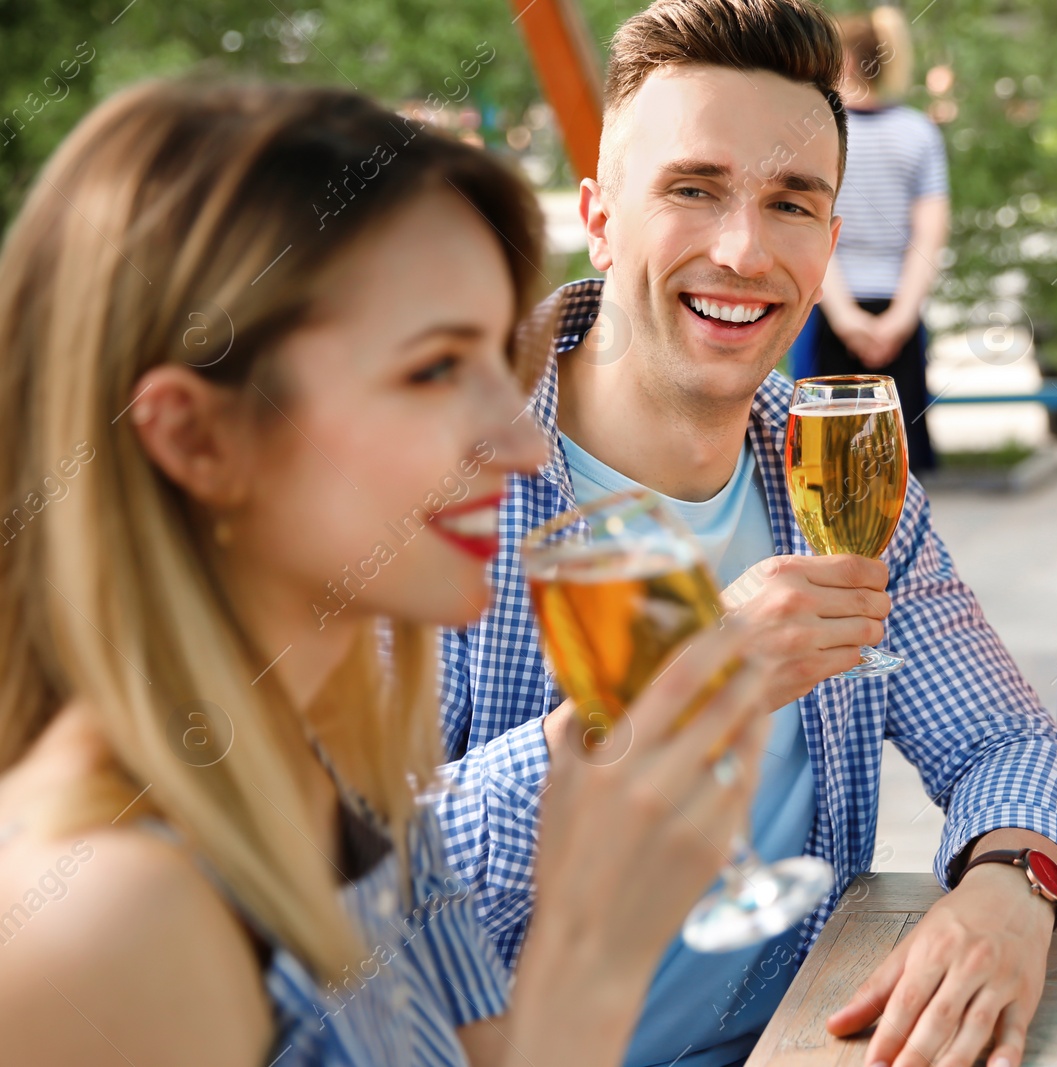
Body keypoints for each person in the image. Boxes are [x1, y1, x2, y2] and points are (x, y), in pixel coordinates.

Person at [0, 80, 778, 1066]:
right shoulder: (103, 923)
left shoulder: (337, 774)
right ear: (196, 437)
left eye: (501, 355)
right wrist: (591, 949)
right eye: (432, 369)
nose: (522, 444)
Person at [433, 2, 1057, 1066]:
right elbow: (336, 899)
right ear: (600, 217)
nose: (743, 250)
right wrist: (674, 695)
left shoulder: (839, 473)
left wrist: (1010, 891)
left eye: (790, 204)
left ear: (828, 242)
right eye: (694, 189)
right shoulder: (437, 477)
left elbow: (1007, 745)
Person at [801, 5, 948, 474]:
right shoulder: (919, 133)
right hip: (897, 314)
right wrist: (900, 319)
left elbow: (811, 223)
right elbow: (929, 233)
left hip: (826, 307)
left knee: (825, 461)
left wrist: (844, 318)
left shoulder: (818, 132)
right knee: (895, 468)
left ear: (839, 59)